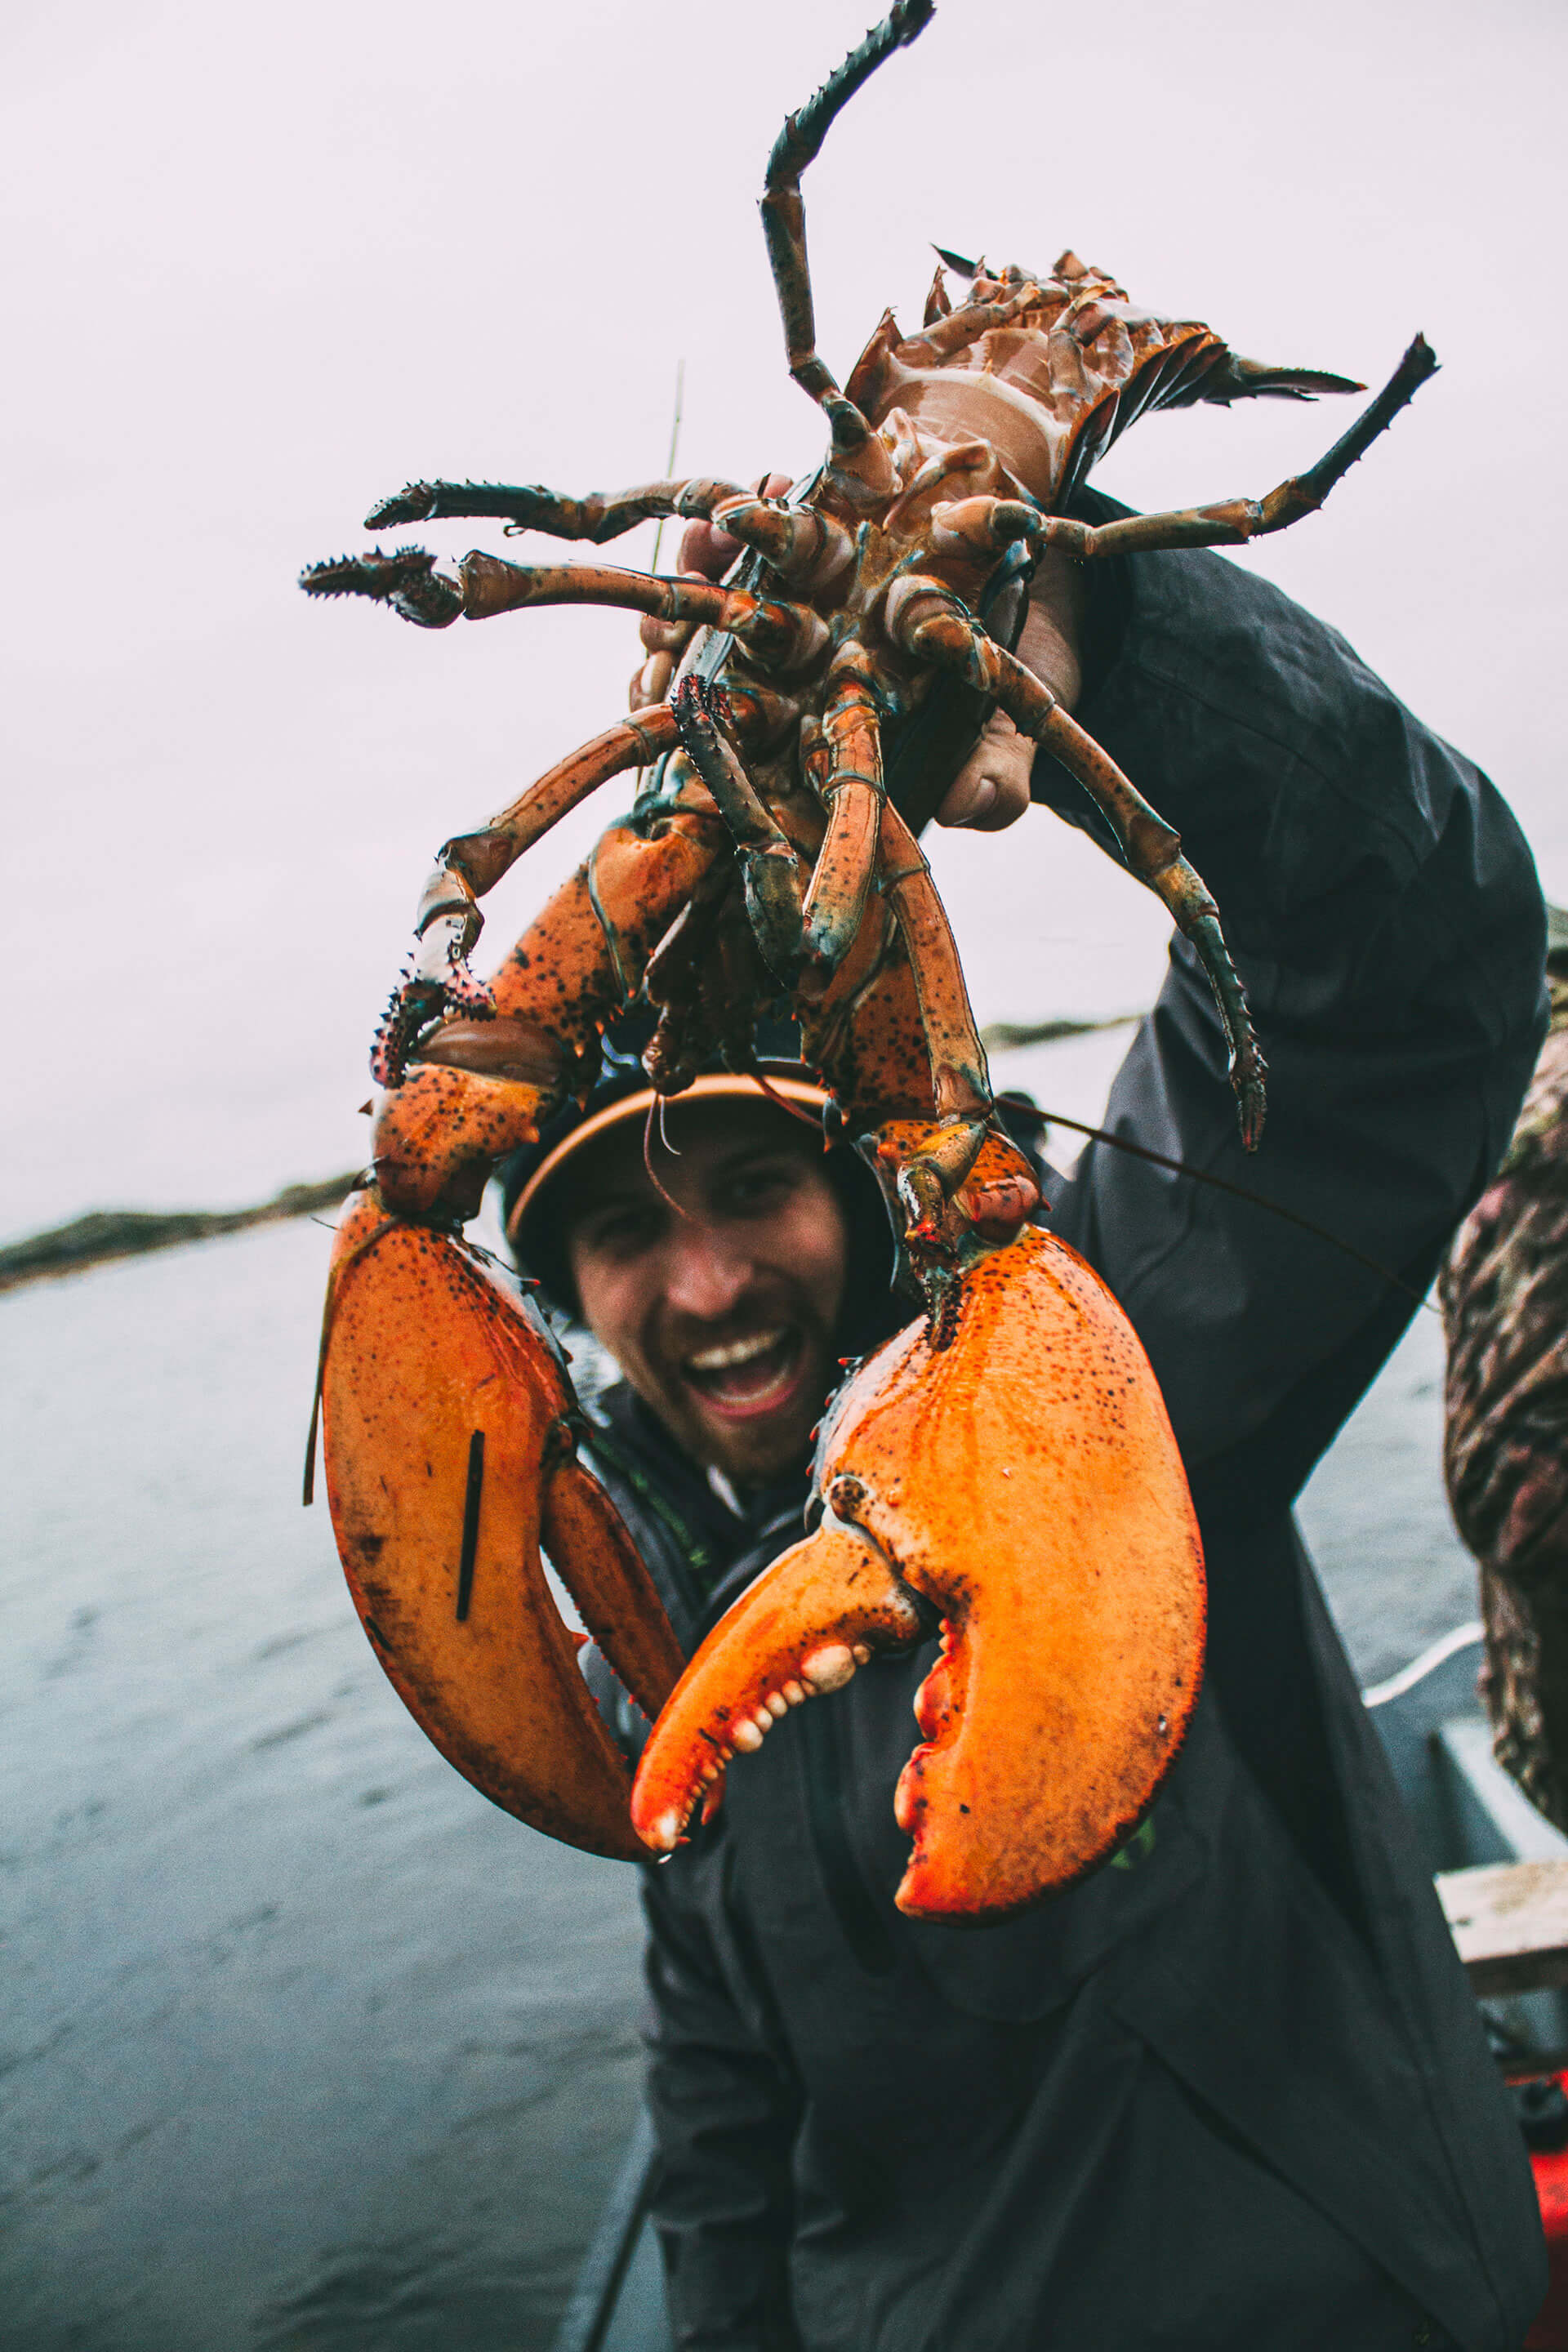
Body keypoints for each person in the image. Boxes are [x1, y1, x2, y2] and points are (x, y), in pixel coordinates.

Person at [500, 490, 1550, 2351]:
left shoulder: (1110, 1359)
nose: (707, 1281)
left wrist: (1102, 635)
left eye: (750, 1184)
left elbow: (1401, 979)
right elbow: (723, 2154)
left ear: (854, 1182)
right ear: (566, 1293)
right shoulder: (652, 1647)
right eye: (618, 1231)